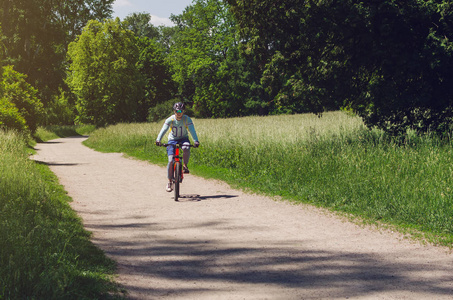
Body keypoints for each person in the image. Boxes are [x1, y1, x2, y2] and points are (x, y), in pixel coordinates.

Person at [155, 102, 200, 192]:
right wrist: (158, 139)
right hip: (172, 140)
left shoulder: (187, 119)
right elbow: (164, 129)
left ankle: (185, 166)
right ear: (174, 111)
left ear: (183, 111)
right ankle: (170, 181)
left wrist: (196, 140)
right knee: (171, 161)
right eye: (177, 111)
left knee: (186, 148)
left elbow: (192, 130)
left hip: (184, 138)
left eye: (181, 111)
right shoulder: (170, 120)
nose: (178, 113)